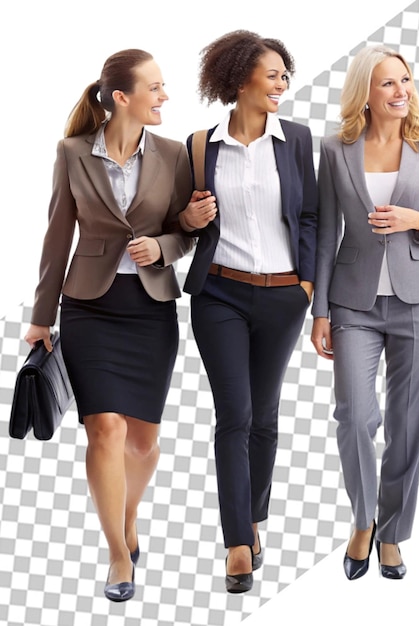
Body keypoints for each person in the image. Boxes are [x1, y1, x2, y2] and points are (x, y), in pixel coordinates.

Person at [24, 49, 203, 602]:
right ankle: (118, 554)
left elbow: (186, 232)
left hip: (149, 308)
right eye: (155, 87)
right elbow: (58, 235)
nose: (165, 96)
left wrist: (166, 244)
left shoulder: (174, 154)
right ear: (122, 97)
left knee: (144, 442)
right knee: (105, 428)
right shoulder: (73, 152)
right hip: (89, 306)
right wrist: (40, 317)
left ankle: (127, 517)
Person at [310, 45, 419, 581]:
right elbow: (327, 232)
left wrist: (414, 219)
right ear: (365, 94)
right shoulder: (335, 149)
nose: (402, 93)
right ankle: (362, 519)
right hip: (353, 301)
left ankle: (393, 533)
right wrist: (320, 310)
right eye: (388, 85)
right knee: (354, 415)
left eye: (405, 81)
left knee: (406, 423)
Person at [178, 30, 317, 594]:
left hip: (284, 296)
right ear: (240, 81)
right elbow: (180, 224)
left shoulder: (299, 140)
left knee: (264, 415)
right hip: (220, 294)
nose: (282, 83)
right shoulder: (198, 145)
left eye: (286, 74)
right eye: (273, 74)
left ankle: (255, 521)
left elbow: (311, 217)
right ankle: (237, 542)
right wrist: (189, 219)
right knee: (233, 415)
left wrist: (306, 285)